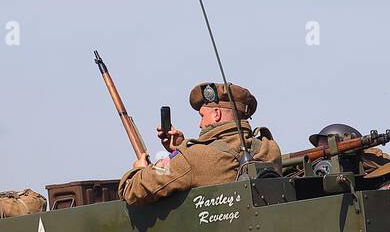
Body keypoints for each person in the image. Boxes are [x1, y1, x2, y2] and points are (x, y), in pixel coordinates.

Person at [118, 82, 282, 205]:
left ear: (216, 114)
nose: (200, 124)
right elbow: (218, 164)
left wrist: (138, 169)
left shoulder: (192, 157)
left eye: (202, 116)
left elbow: (133, 190)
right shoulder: (269, 148)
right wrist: (181, 147)